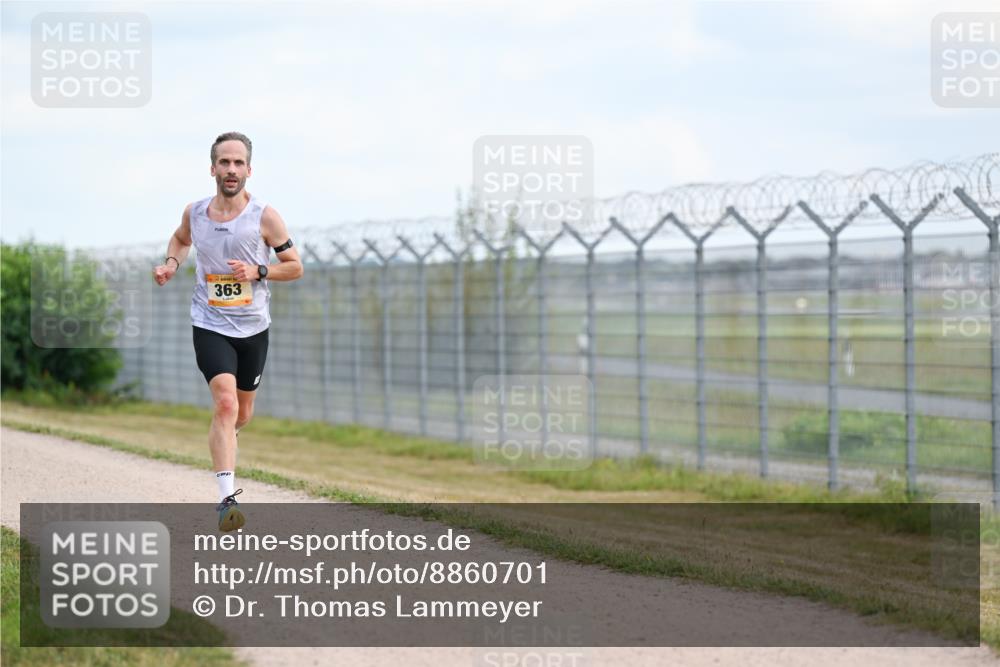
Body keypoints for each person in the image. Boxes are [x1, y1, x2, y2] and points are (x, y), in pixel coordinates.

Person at [152, 132, 303, 531]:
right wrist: (171, 263)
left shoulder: (265, 216)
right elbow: (180, 240)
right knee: (225, 404)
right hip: (209, 322)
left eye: (238, 163)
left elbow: (295, 265)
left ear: (249, 170)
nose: (231, 170)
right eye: (224, 162)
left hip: (253, 327)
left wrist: (259, 271)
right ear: (212, 168)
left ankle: (226, 441)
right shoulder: (196, 213)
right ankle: (226, 502)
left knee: (242, 412)